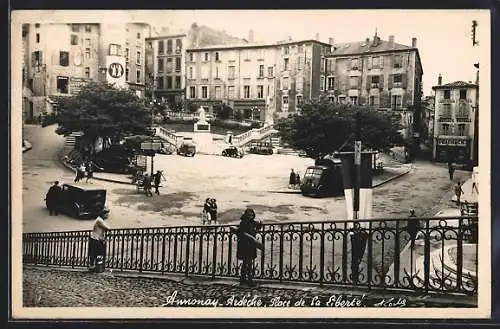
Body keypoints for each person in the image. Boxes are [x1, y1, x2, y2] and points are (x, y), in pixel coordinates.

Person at [235, 208, 262, 286]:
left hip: (250, 244)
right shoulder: (244, 222)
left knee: (247, 262)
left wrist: (259, 224)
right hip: (245, 244)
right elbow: (242, 232)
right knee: (248, 262)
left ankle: (244, 279)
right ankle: (248, 280)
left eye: (252, 215)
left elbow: (257, 226)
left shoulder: (251, 222)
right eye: (249, 215)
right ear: (246, 215)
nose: (251, 216)